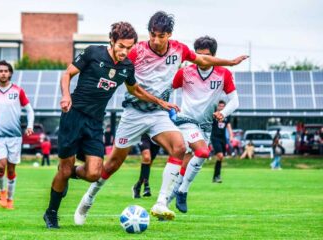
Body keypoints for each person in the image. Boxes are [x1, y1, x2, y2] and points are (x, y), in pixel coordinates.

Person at [75, 12, 248, 224]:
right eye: (152, 34)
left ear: (170, 35)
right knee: (112, 165)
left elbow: (203, 59)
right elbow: (114, 63)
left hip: (158, 114)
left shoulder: (179, 49)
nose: (156, 40)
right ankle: (87, 200)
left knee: (179, 146)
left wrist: (230, 62)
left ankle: (161, 202)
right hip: (134, 112)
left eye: (161, 36)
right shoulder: (137, 50)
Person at [43, 21, 178, 229]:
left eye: (129, 47)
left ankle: (67, 173)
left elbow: (136, 90)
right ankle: (51, 213)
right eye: (121, 46)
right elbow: (67, 74)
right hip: (73, 116)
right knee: (64, 169)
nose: (125, 51)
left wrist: (160, 101)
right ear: (112, 41)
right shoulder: (93, 53)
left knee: (94, 173)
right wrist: (66, 96)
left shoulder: (126, 67)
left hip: (95, 122)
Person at [166, 36, 240, 214]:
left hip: (205, 126)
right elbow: (166, 90)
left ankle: (164, 204)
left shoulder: (224, 74)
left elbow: (235, 101)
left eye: (206, 56)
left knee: (190, 165)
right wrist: (167, 109)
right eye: (198, 55)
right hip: (186, 121)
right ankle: (183, 192)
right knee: (203, 152)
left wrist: (223, 113)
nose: (202, 59)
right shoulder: (185, 71)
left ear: (214, 56)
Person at [0, 60, 34, 210]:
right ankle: (2, 192)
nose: (3, 73)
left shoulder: (18, 91)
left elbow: (29, 110)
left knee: (11, 170)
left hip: (15, 137)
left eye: (6, 71)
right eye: (0, 71)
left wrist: (30, 126)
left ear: (10, 73)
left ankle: (10, 199)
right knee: (1, 166)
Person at [211, 100, 233, 183]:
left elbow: (228, 126)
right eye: (219, 106)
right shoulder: (214, 115)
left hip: (223, 139)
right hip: (215, 138)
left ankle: (216, 176)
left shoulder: (226, 115)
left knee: (221, 158)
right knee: (220, 156)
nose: (221, 108)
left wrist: (231, 136)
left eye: (222, 106)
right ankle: (217, 176)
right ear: (217, 107)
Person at [132, 134, 160, 198]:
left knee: (148, 164)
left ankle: (137, 186)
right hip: (144, 135)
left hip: (156, 137)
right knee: (147, 157)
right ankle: (146, 186)